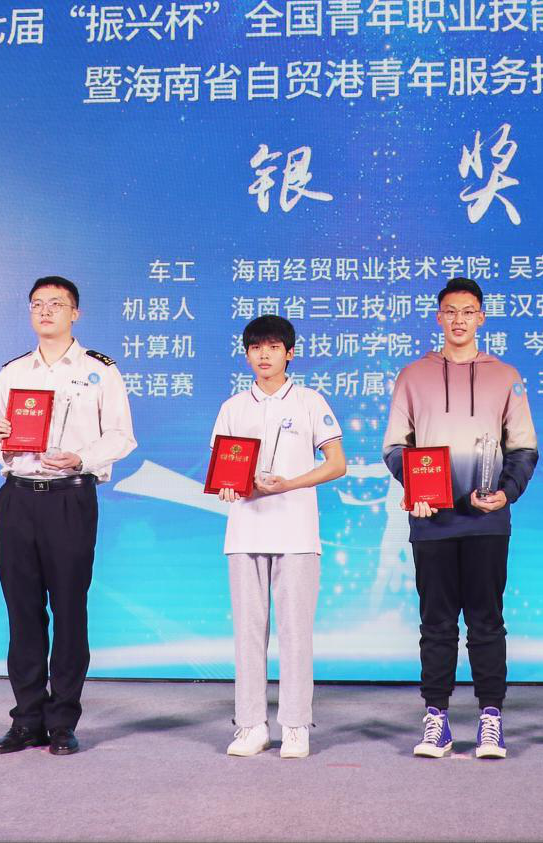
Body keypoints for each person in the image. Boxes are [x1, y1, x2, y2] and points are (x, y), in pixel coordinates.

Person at [0, 276, 136, 756]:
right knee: (22, 612)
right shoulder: (12, 371)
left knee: (68, 610)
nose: (45, 311)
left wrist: (82, 458)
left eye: (56, 304)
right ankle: (26, 720)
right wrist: (3, 440)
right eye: (37, 304)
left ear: (75, 313)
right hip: (17, 498)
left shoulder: (99, 371)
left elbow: (121, 435)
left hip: (70, 498)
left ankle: (63, 720)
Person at [382, 277, 538, 759]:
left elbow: (524, 447)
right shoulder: (413, 375)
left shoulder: (505, 375)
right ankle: (437, 719)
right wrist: (417, 490)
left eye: (468, 311)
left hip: (487, 521)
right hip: (431, 521)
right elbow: (395, 447)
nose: (459, 320)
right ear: (438, 317)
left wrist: (506, 493)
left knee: (487, 621)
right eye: (450, 311)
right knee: (436, 622)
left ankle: (491, 718)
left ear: (482, 318)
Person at [210, 315, 346, 759]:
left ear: (290, 353)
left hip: (296, 532)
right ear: (246, 354)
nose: (264, 355)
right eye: (255, 348)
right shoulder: (233, 407)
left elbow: (337, 463)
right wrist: (229, 485)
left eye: (273, 347)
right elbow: (222, 469)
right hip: (245, 531)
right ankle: (251, 725)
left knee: (295, 633)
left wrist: (289, 484)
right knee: (248, 634)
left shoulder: (309, 401)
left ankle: (295, 726)